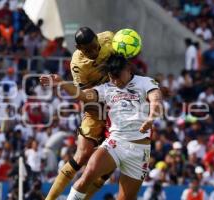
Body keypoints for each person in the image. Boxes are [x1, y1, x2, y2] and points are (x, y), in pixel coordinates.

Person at [40, 54, 163, 200]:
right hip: (115, 143)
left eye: (118, 76)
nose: (115, 81)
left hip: (139, 151)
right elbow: (82, 95)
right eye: (112, 77)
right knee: (88, 174)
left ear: (128, 69)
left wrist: (150, 118)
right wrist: (61, 83)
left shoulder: (145, 82)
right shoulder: (107, 88)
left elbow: (156, 99)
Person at [43, 27, 114, 200]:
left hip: (119, 104)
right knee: (82, 155)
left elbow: (128, 67)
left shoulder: (109, 39)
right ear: (78, 48)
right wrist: (104, 116)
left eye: (95, 47)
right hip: (96, 105)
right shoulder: (77, 63)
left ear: (98, 39)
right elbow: (85, 96)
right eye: (88, 50)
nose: (94, 52)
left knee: (109, 166)